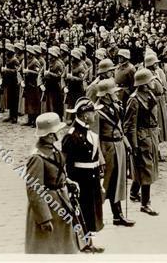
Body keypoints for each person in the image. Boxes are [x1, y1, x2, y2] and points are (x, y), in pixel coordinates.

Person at [25, 112, 78, 254]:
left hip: (61, 204)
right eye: (56, 132)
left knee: (63, 246)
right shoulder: (37, 157)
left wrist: (67, 181)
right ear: (49, 135)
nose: (58, 135)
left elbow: (56, 172)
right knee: (46, 249)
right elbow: (34, 190)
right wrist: (44, 219)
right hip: (49, 207)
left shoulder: (52, 149)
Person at [62, 98, 105, 253]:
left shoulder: (87, 131)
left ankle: (87, 242)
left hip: (91, 178)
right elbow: (66, 163)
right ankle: (81, 243)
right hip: (80, 180)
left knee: (89, 212)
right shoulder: (71, 136)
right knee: (81, 212)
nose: (95, 115)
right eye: (92, 112)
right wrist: (71, 183)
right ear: (85, 115)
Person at [94, 79, 135, 226]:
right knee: (106, 183)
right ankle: (96, 216)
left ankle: (117, 216)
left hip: (119, 147)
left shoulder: (115, 107)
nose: (116, 95)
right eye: (113, 93)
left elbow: (120, 128)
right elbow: (95, 136)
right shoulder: (97, 112)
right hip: (107, 148)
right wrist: (100, 158)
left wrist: (126, 143)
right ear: (105, 96)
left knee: (118, 181)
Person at [124, 69, 160, 215]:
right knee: (146, 169)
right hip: (141, 137)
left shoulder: (149, 94)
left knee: (146, 167)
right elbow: (129, 125)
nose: (153, 82)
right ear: (144, 84)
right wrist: (134, 145)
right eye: (151, 80)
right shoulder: (134, 100)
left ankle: (133, 192)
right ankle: (145, 203)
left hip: (150, 135)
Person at [22, 45, 42, 127]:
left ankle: (35, 120)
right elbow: (21, 69)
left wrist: (29, 71)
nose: (27, 54)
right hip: (27, 82)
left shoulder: (35, 61)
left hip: (34, 83)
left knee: (34, 103)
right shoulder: (25, 60)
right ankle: (29, 119)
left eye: (28, 52)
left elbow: (39, 72)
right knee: (28, 102)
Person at [2, 43, 20, 123]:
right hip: (9, 81)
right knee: (10, 99)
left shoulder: (15, 60)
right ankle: (10, 115)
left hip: (14, 81)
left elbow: (17, 70)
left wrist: (7, 70)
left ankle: (14, 117)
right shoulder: (7, 59)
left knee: (14, 99)